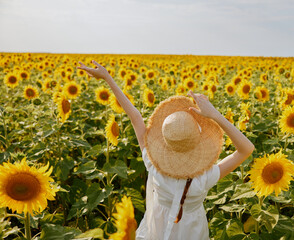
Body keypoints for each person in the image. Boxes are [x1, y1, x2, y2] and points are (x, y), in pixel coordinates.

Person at [77, 60, 255, 240]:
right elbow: (246, 149)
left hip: (157, 230)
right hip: (192, 233)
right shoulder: (204, 177)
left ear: (165, 140)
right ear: (198, 140)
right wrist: (215, 115)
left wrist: (107, 78)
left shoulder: (153, 163)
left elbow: (135, 117)